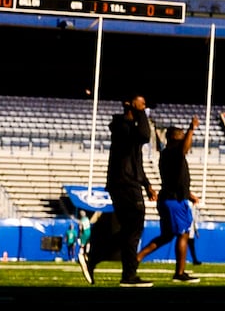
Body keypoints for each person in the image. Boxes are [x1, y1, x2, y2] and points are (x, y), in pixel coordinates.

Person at [80, 96, 156, 287]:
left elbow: (136, 159)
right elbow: (145, 136)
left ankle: (96, 258)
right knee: (133, 229)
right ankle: (124, 273)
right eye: (141, 103)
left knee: (129, 231)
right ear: (130, 104)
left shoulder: (128, 127)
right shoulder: (123, 127)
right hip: (125, 184)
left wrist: (146, 184)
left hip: (129, 183)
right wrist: (140, 112)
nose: (144, 107)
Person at [135, 117, 201, 283]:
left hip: (171, 197)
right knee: (183, 234)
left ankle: (137, 258)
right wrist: (191, 129)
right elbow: (185, 148)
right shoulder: (173, 152)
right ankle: (179, 272)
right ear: (174, 138)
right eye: (181, 136)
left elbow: (175, 179)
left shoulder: (168, 154)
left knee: (166, 236)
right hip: (174, 201)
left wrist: (188, 194)